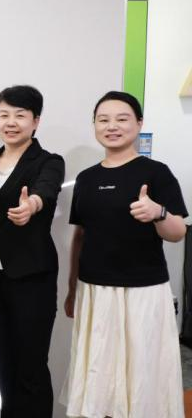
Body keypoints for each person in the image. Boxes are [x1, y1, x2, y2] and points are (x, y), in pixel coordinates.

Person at [61, 91, 187, 418]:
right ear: (94, 125)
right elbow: (80, 236)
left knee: (142, 373)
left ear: (139, 123)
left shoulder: (156, 173)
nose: (112, 126)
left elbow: (177, 232)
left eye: (122, 119)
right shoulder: (86, 178)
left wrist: (158, 212)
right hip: (94, 289)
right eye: (103, 120)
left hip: (143, 290)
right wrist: (72, 288)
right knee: (99, 373)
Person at [0, 85, 64, 418]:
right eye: (3, 115)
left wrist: (31, 206)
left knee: (31, 365)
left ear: (35, 121)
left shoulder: (49, 162)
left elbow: (45, 192)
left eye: (20, 115)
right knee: (3, 364)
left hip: (31, 277)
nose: (11, 122)